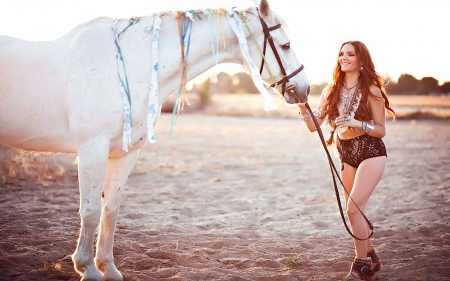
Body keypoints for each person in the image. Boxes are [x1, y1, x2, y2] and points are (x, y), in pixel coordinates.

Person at [297, 41, 395, 281]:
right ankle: (370, 254)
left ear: (361, 60)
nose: (344, 57)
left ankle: (360, 266)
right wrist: (300, 104)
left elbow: (381, 130)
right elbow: (313, 126)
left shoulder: (371, 89)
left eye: (350, 54)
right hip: (346, 151)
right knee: (356, 211)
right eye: (341, 53)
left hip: (371, 150)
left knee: (352, 208)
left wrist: (357, 124)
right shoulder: (331, 89)